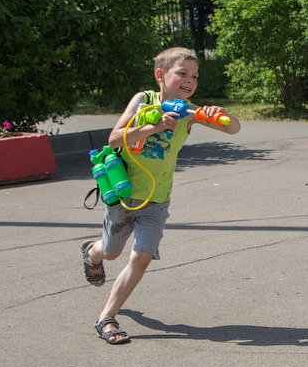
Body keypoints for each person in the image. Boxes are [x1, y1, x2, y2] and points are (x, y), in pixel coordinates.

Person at [81, 47, 240, 344]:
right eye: (182, 73)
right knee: (112, 252)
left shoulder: (190, 114)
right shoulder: (144, 101)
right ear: (160, 75)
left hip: (157, 199)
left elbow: (234, 128)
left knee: (141, 257)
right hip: (124, 195)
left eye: (194, 76)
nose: (189, 80)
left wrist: (221, 115)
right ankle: (92, 252)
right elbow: (115, 138)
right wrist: (155, 126)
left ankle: (106, 318)